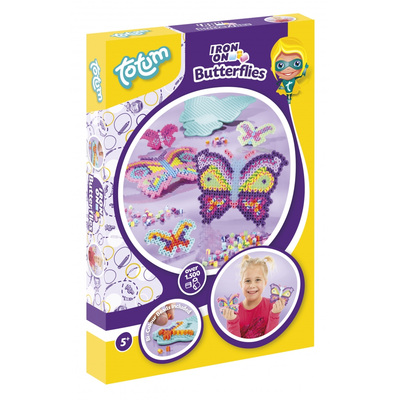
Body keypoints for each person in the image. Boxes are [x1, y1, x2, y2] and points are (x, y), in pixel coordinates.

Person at [222, 255, 285, 338]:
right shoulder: (234, 311)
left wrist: (275, 315)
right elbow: (235, 343)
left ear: (265, 283)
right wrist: (232, 321)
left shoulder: (272, 306)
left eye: (257, 280)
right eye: (247, 281)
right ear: (241, 284)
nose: (252, 285)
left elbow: (271, 339)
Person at [270, 37, 308, 104]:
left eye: (296, 63)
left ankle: (289, 99)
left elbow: (299, 76)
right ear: (273, 68)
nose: (288, 68)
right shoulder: (283, 82)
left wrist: (304, 70)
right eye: (281, 65)